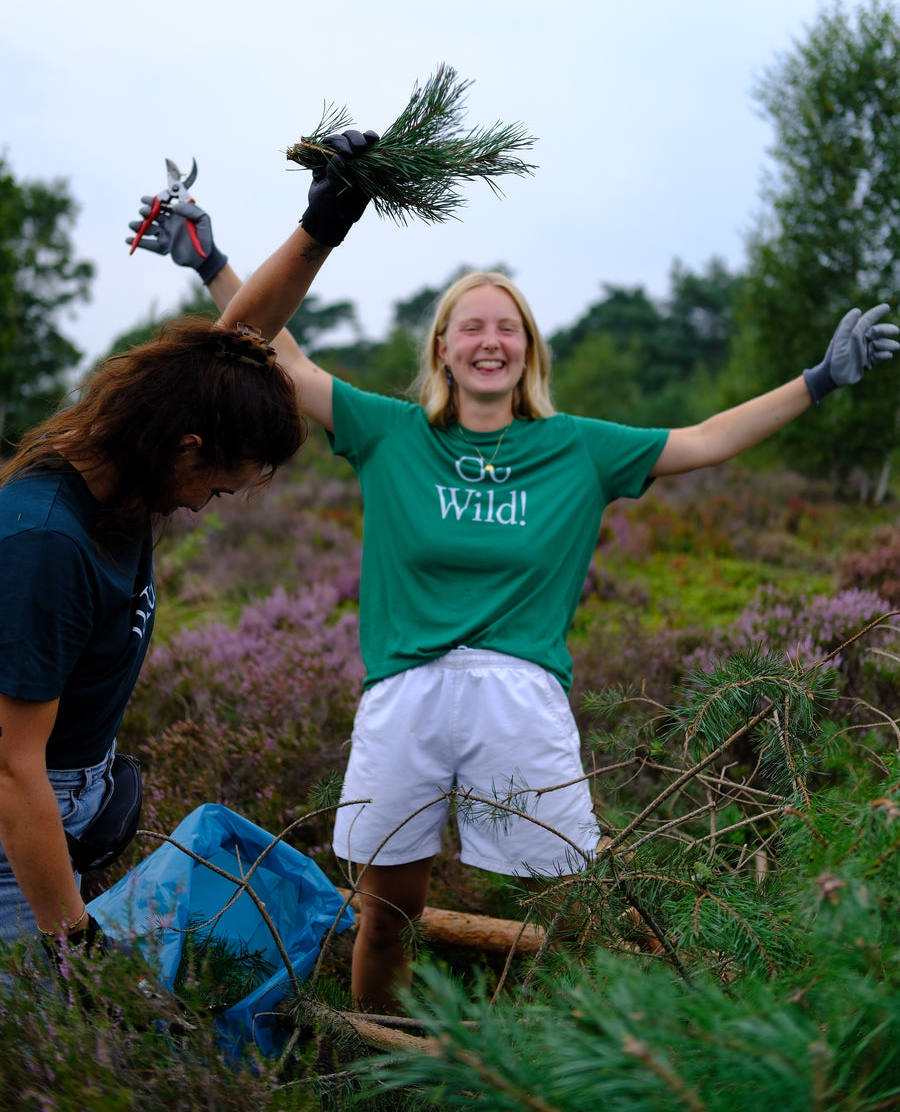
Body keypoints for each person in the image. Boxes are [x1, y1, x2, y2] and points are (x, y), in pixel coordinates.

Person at [129, 152, 899, 1010]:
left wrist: (819, 381)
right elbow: (268, 354)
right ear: (444, 350)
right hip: (404, 696)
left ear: (527, 348)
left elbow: (708, 438)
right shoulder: (389, 433)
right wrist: (208, 258)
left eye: (508, 327)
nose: (490, 341)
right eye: (472, 327)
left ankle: (558, 1057)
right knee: (388, 916)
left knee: (570, 907)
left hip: (522, 701)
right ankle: (373, 1063)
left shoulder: (579, 447)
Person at [0, 142, 372, 952]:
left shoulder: (126, 474)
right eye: (222, 484)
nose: (212, 504)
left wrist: (323, 226)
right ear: (186, 447)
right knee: (55, 1047)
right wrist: (76, 943)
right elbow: (10, 766)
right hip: (17, 828)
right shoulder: (44, 545)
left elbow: (235, 342)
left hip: (74, 800)